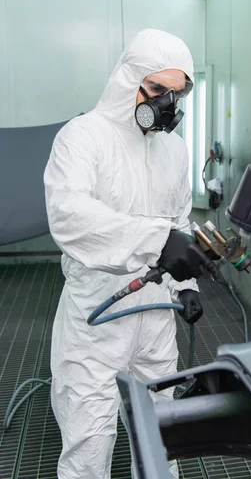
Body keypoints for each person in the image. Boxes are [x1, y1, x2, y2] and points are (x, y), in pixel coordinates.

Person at [44, 28, 216, 479]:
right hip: (95, 320)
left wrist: (186, 285)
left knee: (159, 436)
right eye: (157, 89)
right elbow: (69, 215)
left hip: (156, 315)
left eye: (175, 94)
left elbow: (177, 223)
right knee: (89, 439)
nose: (166, 104)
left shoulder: (174, 151)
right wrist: (156, 240)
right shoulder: (82, 138)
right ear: (127, 80)